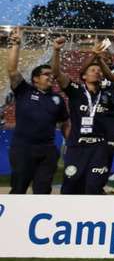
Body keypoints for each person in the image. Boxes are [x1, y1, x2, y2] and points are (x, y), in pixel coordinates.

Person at [52, 37, 114, 194]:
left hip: (99, 148)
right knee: (71, 186)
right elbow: (56, 73)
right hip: (77, 146)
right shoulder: (75, 90)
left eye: (98, 71)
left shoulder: (107, 94)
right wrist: (56, 51)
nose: (96, 72)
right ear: (83, 76)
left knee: (93, 187)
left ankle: (91, 218)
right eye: (92, 70)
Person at [6, 27, 67, 194]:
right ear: (35, 79)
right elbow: (12, 70)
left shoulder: (58, 99)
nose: (51, 77)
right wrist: (16, 45)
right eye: (46, 74)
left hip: (47, 150)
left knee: (43, 190)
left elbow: (64, 122)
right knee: (18, 189)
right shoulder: (24, 90)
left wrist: (70, 141)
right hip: (23, 148)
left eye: (51, 74)